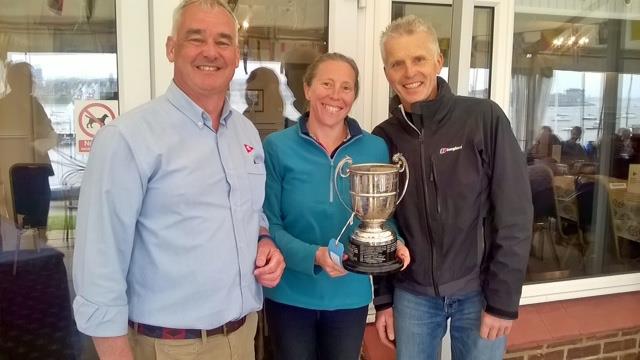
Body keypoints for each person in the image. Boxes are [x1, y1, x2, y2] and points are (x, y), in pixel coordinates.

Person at [72, 1, 285, 359]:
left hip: (243, 335)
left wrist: (264, 241)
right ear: (171, 48)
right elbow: (99, 265)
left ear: (236, 56)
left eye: (223, 42)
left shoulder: (246, 133)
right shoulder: (127, 139)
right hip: (170, 347)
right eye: (195, 38)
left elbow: (252, 213)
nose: (210, 52)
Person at [372, 15, 532, 360]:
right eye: (397, 64)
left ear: (438, 62)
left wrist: (504, 301)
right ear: (387, 73)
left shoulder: (483, 118)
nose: (409, 72)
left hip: (479, 293)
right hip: (412, 296)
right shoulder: (383, 137)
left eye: (418, 59)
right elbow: (380, 225)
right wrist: (384, 299)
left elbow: (515, 213)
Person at [262, 52, 410, 360]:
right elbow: (270, 224)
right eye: (326, 83)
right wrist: (313, 255)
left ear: (354, 95)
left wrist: (395, 242)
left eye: (346, 87)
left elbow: (381, 218)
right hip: (290, 293)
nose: (336, 95)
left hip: (349, 295)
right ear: (307, 89)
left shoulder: (374, 147)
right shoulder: (277, 147)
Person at [0, 62, 57, 238]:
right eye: (29, 78)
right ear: (16, 81)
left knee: (32, 226)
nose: (33, 82)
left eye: (32, 78)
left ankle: (33, 254)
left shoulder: (33, 105)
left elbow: (48, 132)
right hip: (19, 173)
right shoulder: (6, 106)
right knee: (28, 226)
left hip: (32, 171)